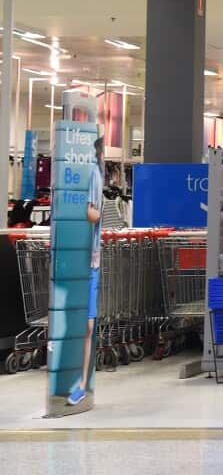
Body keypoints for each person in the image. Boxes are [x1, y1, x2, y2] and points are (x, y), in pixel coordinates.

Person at [67, 137, 104, 407]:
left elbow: (91, 212)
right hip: (81, 256)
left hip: (90, 256)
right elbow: (91, 212)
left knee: (87, 324)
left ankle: (80, 384)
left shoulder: (95, 172)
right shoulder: (91, 172)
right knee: (83, 324)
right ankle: (77, 383)